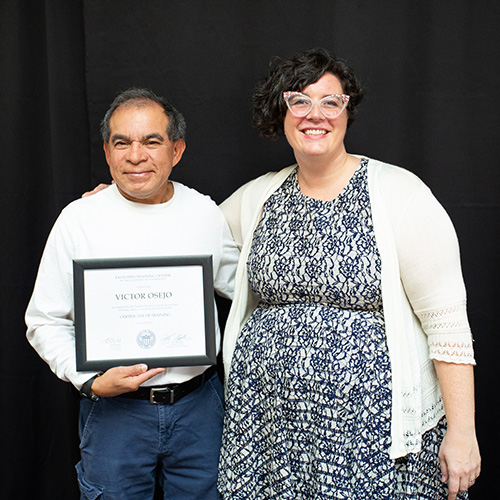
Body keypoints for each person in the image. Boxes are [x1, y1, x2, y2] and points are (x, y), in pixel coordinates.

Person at [216, 48, 480, 500]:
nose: (313, 114)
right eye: (299, 100)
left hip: (372, 436)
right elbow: (187, 233)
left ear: (347, 111)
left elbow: (447, 324)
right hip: (269, 431)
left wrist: (462, 433)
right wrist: (124, 199)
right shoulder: (258, 197)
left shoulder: (399, 193)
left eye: (330, 101)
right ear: (280, 111)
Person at [25, 88, 239, 499]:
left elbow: (245, 290)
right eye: (122, 142)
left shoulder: (204, 214)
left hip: (199, 407)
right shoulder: (79, 220)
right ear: (107, 152)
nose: (135, 155)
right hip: (115, 413)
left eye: (151, 141)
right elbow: (44, 320)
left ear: (176, 150)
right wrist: (89, 380)